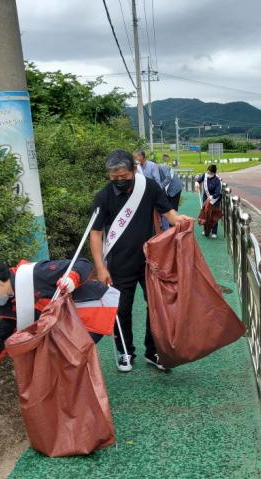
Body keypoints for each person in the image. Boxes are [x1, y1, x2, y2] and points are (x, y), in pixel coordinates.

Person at [90, 149, 192, 373]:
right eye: (114, 178)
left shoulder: (149, 187)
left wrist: (178, 220)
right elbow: (95, 233)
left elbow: (169, 213)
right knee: (121, 310)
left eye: (124, 176)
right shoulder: (103, 196)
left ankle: (153, 351)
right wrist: (100, 267)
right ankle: (125, 351)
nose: (119, 181)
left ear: (134, 170)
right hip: (119, 264)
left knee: (156, 307)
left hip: (150, 262)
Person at [0, 256, 97, 393]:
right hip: (67, 326)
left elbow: (83, 263)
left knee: (65, 363)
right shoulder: (8, 302)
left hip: (93, 313)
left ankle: (80, 397)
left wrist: (72, 278)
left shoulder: (35, 274)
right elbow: (2, 338)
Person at [195, 164, 222, 239]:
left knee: (213, 215)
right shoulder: (205, 175)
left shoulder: (217, 180)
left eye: (210, 173)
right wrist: (197, 183)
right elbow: (199, 180)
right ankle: (206, 230)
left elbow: (218, 192)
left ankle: (214, 232)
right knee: (205, 214)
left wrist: (212, 197)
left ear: (214, 173)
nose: (208, 174)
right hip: (206, 198)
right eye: (208, 172)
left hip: (214, 200)